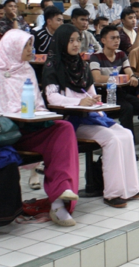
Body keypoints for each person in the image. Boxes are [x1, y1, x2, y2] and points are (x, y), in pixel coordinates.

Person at [43, 24, 139, 208]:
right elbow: (52, 97)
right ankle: (112, 194)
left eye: (78, 40)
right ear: (61, 42)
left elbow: (89, 91)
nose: (76, 44)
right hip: (70, 120)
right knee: (112, 139)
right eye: (71, 40)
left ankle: (130, 188)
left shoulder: (81, 64)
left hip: (90, 115)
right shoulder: (53, 65)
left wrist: (94, 99)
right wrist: (78, 103)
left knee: (126, 134)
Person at [0, 30, 80, 226]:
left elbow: (37, 103)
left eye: (31, 45)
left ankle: (60, 197)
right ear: (13, 47)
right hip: (7, 133)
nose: (31, 49)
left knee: (64, 128)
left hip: (28, 129)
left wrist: (40, 113)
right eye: (26, 46)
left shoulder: (27, 70)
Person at [90, 25, 139, 157]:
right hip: (104, 94)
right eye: (112, 38)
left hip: (120, 92)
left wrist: (133, 77)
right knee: (127, 109)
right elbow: (96, 78)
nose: (116, 41)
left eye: (118, 38)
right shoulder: (96, 57)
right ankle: (127, 147)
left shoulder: (121, 54)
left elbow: (130, 73)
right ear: (103, 40)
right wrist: (118, 78)